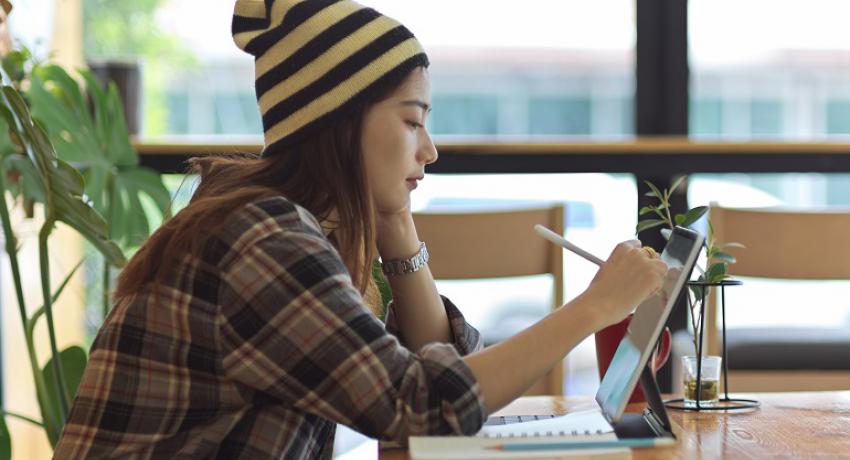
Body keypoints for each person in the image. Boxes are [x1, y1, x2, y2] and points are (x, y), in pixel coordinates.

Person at [54, 1, 667, 458]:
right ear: (341, 121)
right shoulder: (263, 238)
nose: (429, 149)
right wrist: (594, 307)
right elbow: (423, 407)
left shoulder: (285, 222)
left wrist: (398, 228)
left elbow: (435, 369)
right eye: (411, 121)